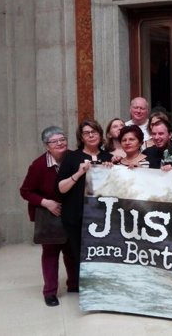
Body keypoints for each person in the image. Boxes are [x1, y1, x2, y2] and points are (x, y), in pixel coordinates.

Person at [19, 126, 78, 307]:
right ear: (47, 146)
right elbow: (26, 191)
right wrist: (46, 202)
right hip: (49, 216)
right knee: (51, 254)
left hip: (71, 213)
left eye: (62, 139)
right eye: (55, 141)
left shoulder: (73, 158)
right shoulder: (38, 166)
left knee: (72, 251)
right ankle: (50, 292)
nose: (60, 143)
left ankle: (74, 285)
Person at [57, 120, 113, 291]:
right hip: (76, 217)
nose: (91, 135)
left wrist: (112, 171)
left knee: (102, 254)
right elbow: (61, 188)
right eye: (86, 133)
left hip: (103, 219)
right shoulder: (71, 158)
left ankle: (102, 288)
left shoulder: (108, 158)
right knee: (79, 255)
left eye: (94, 132)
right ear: (81, 137)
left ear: (100, 134)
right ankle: (87, 291)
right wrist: (79, 172)